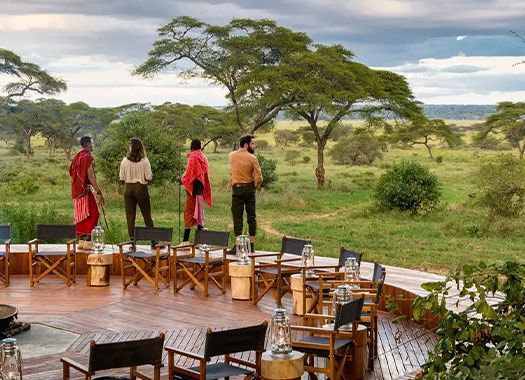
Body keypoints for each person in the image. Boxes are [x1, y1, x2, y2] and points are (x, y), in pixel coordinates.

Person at [228, 134, 263, 253]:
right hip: (249, 189)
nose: (255, 146)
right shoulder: (252, 158)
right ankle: (251, 245)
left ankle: (238, 246)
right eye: (252, 143)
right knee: (251, 217)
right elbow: (259, 177)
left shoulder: (231, 155)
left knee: (237, 217)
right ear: (246, 145)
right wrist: (254, 186)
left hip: (237, 189)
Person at [69, 136, 104, 247]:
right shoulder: (87, 156)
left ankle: (82, 239)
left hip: (76, 191)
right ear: (88, 144)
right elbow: (90, 176)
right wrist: (98, 191)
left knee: (83, 215)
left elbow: (71, 172)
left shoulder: (77, 156)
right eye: (92, 143)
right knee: (94, 214)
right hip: (84, 191)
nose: (93, 145)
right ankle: (88, 238)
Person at [119, 138, 155, 243]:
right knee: (146, 214)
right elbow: (148, 177)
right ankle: (153, 239)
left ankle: (132, 239)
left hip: (128, 188)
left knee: (130, 215)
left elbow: (121, 177)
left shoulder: (124, 161)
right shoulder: (144, 161)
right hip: (140, 188)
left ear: (131, 147)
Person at [180, 139, 212, 242]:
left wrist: (182, 180)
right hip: (201, 190)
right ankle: (200, 241)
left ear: (192, 147)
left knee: (188, 213)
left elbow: (190, 174)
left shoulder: (193, 156)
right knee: (198, 212)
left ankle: (185, 241)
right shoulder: (203, 156)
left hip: (193, 191)